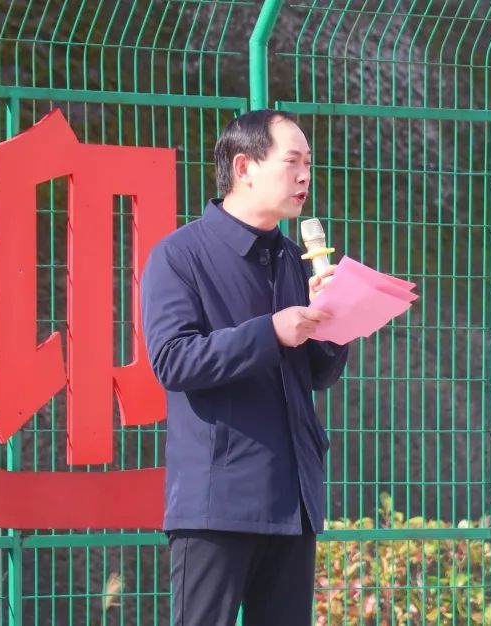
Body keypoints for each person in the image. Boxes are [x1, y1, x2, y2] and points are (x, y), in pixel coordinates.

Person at [141, 109, 349, 626]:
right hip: (218, 504)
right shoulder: (180, 255)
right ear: (243, 167)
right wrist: (270, 331)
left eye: (309, 164)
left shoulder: (295, 259)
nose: (305, 176)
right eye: (292, 162)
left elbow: (317, 375)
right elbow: (172, 360)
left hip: (293, 499)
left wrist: (337, 320)